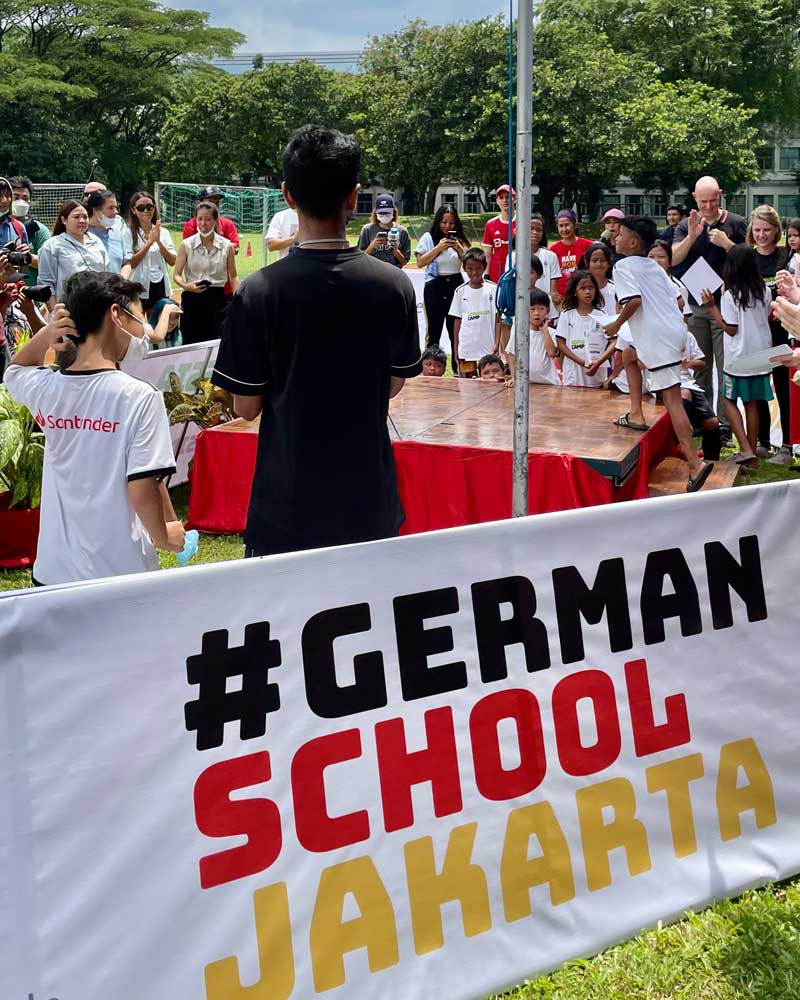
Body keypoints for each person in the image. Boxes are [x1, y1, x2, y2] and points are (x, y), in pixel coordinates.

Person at [211, 124, 422, 556]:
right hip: (366, 503)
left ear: (287, 195)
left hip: (287, 507)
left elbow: (245, 407)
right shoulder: (393, 285)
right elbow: (393, 383)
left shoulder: (259, 291)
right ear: (353, 196)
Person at [3, 271, 184, 585]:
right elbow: (142, 487)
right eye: (138, 316)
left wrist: (47, 334)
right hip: (118, 575)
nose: (141, 331)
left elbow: (15, 370)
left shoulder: (47, 387)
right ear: (116, 314)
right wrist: (165, 536)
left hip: (53, 572)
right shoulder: (139, 397)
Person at [605, 215, 713, 492]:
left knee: (673, 399)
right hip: (672, 330)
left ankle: (694, 463)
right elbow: (675, 300)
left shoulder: (623, 266)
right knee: (628, 356)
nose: (615, 237)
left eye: (620, 233)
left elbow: (634, 302)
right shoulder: (653, 266)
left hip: (657, 335)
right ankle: (636, 414)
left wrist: (615, 325)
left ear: (632, 242)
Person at [671, 176, 747, 429]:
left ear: (721, 195)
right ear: (694, 198)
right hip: (695, 305)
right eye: (703, 202)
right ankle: (705, 420)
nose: (708, 207)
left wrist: (728, 245)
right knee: (700, 367)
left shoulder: (736, 223)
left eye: (713, 201)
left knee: (727, 367)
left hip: (727, 308)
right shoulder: (685, 225)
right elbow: (672, 258)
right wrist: (692, 236)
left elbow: (748, 261)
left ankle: (726, 425)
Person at [699, 244, 774, 466]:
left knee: (728, 399)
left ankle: (745, 448)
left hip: (738, 356)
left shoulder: (731, 295)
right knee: (752, 403)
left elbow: (731, 329)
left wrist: (712, 307)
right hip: (760, 353)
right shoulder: (764, 290)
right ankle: (750, 452)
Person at [746, 204, 793, 464]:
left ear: (776, 230)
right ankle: (762, 441)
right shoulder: (747, 257)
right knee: (759, 385)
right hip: (756, 332)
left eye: (767, 230)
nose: (762, 235)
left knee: (784, 388)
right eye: (758, 230)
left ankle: (787, 446)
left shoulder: (786, 256)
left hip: (782, 331)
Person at [173, 201, 238, 344]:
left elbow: (233, 275)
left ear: (215, 220)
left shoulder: (226, 246)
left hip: (217, 301)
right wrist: (187, 286)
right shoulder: (186, 245)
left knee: (216, 344)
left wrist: (239, 298)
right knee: (191, 344)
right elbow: (176, 275)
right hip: (192, 299)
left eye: (208, 219)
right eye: (200, 219)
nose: (203, 223)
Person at [414, 205, 469, 367]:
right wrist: (439, 248)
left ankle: (457, 367)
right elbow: (420, 262)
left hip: (455, 284)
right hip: (434, 285)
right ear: (438, 221)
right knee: (434, 330)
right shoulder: (428, 238)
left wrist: (458, 247)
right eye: (444, 222)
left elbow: (470, 264)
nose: (447, 227)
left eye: (451, 223)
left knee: (455, 331)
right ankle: (431, 367)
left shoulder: (460, 239)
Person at [37, 200, 109, 308]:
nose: (82, 220)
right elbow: (46, 283)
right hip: (68, 309)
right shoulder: (52, 246)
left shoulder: (97, 242)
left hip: (98, 308)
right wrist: (55, 312)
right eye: (76, 217)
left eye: (85, 217)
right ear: (64, 220)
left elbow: (106, 274)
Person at [555, 270, 615, 388]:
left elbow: (614, 342)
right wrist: (582, 362)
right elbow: (561, 344)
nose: (588, 292)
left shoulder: (601, 316)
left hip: (596, 377)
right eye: (583, 288)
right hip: (572, 376)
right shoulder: (566, 315)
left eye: (591, 287)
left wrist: (599, 362)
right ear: (575, 292)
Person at [449, 248, 499, 377]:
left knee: (490, 381)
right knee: (468, 385)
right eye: (470, 269)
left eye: (478, 268)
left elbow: (499, 319)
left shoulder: (493, 289)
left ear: (484, 268)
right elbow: (457, 320)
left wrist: (498, 343)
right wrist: (456, 348)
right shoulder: (460, 291)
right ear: (464, 268)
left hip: (488, 346)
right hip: (467, 348)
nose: (474, 272)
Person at [123, 191, 177, 312]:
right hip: (138, 285)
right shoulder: (127, 233)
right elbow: (131, 263)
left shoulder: (164, 232)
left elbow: (173, 261)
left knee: (157, 324)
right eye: (141, 208)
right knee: (140, 327)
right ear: (133, 210)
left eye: (150, 207)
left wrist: (158, 241)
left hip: (159, 284)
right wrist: (149, 243)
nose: (146, 211)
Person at [182, 186, 240, 298]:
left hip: (224, 288)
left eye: (217, 202)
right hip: (196, 287)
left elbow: (235, 247)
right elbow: (187, 249)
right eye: (210, 202)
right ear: (201, 203)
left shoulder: (227, 224)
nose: (215, 205)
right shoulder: (190, 225)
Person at [677, 329, 722, 461]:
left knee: (713, 422)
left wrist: (688, 364)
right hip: (662, 382)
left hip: (687, 383)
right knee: (684, 395)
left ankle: (712, 463)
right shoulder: (655, 334)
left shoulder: (686, 335)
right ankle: (681, 448)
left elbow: (701, 363)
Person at [504, 289, 559, 386]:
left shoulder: (552, 333)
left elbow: (551, 353)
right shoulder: (520, 332)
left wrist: (545, 331)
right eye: (532, 309)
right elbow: (512, 354)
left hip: (548, 383)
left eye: (541, 309)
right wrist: (514, 377)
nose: (537, 313)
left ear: (548, 310)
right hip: (525, 384)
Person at [9, 177, 50, 284]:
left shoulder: (40, 230)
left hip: (31, 294)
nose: (20, 202)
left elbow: (49, 264)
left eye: (25, 198)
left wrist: (28, 257)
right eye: (16, 197)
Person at [357, 194, 411, 268]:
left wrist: (395, 250)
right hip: (373, 272)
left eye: (387, 212)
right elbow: (360, 258)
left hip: (394, 272)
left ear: (393, 212)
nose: (384, 215)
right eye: (381, 213)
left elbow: (404, 262)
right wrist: (372, 246)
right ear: (375, 213)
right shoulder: (367, 230)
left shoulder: (402, 231)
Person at [84, 189, 130, 273]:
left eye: (115, 207)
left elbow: (127, 262)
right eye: (110, 208)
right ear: (96, 210)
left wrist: (122, 281)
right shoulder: (83, 234)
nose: (115, 212)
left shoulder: (117, 232)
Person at [550, 210, 593, 300]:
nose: (564, 229)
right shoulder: (553, 250)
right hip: (560, 298)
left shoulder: (588, 246)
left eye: (567, 225)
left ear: (575, 225)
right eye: (561, 226)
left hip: (582, 296)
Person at [647, 239, 692, 318]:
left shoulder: (678, 288)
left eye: (661, 257)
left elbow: (683, 319)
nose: (656, 261)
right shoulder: (637, 281)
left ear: (669, 262)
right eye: (651, 257)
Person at [482, 185, 516, 283]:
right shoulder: (490, 224)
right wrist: (486, 274)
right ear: (497, 201)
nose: (505, 200)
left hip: (517, 271)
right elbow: (487, 255)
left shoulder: (522, 222)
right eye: (501, 198)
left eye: (508, 197)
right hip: (497, 273)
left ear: (515, 199)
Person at [580, 241, 616, 314]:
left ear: (609, 263)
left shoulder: (616, 289)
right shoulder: (579, 289)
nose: (599, 264)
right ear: (587, 262)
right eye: (594, 261)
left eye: (603, 260)